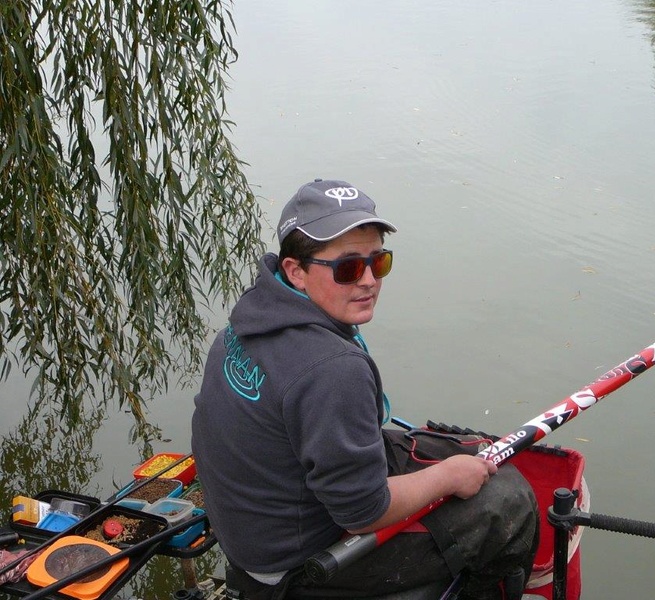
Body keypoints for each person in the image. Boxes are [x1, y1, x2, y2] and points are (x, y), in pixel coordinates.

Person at [191, 179, 538, 600]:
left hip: (253, 531)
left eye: (379, 262)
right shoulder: (332, 369)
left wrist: (452, 464)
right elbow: (362, 513)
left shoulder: (248, 320)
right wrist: (447, 476)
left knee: (471, 451)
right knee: (510, 503)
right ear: (295, 271)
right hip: (293, 564)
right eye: (348, 268)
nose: (370, 280)